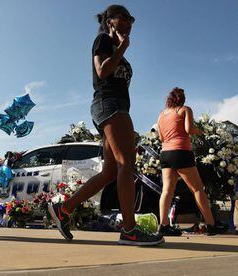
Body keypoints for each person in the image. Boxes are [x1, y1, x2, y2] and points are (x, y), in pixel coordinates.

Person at [48, 5, 164, 246]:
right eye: (123, 17)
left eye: (131, 19)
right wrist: (122, 47)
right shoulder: (102, 40)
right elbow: (102, 72)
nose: (129, 22)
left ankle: (64, 209)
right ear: (109, 21)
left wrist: (122, 49)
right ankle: (130, 230)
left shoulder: (116, 47)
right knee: (126, 164)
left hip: (115, 107)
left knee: (111, 172)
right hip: (109, 105)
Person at [157, 87, 217, 236]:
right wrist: (202, 131)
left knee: (167, 191)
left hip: (165, 154)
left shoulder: (161, 115)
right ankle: (211, 225)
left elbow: (161, 138)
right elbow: (189, 129)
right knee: (197, 189)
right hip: (181, 152)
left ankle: (163, 225)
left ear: (169, 99)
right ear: (182, 99)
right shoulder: (185, 110)